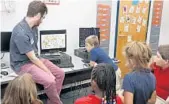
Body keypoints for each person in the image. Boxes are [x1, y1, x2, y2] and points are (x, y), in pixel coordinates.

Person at [9, 1, 64, 104]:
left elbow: (35, 55)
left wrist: (46, 67)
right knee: (50, 81)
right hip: (22, 64)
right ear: (38, 15)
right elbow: (32, 58)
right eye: (43, 17)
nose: (42, 20)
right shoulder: (20, 32)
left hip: (34, 59)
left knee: (60, 74)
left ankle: (52, 101)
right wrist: (48, 72)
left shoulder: (34, 28)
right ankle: (57, 102)